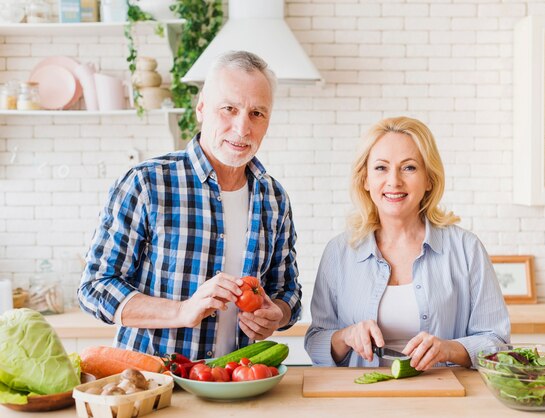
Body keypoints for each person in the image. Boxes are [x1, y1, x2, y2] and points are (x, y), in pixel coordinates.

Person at [78, 51, 302, 360]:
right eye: (229, 109)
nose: (242, 127)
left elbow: (287, 291)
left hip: (237, 383)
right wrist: (182, 311)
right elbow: (95, 288)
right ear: (201, 109)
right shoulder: (147, 183)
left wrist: (275, 314)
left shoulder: (274, 198)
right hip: (154, 384)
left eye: (257, 113)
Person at [305, 116, 509, 370]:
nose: (394, 181)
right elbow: (315, 343)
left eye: (409, 167)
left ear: (429, 179)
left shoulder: (467, 249)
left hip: (444, 399)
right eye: (381, 168)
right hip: (361, 399)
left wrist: (450, 349)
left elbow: (497, 343)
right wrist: (346, 336)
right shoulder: (339, 252)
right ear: (365, 179)